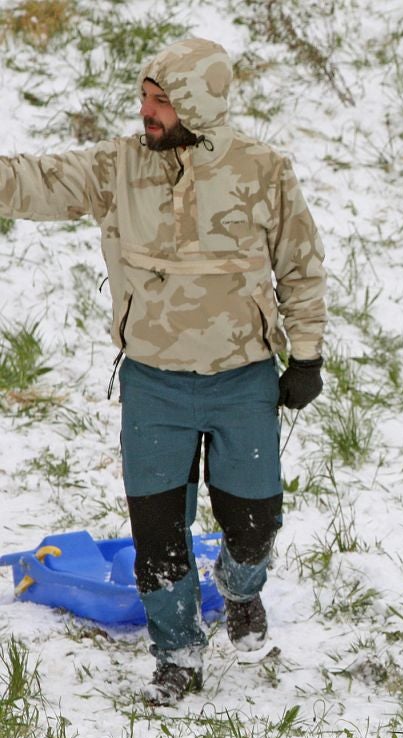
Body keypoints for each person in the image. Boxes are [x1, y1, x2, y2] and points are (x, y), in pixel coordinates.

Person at [0, 38, 328, 704]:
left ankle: (240, 587)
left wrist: (308, 354)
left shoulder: (264, 171)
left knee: (255, 523)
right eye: (145, 97)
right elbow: (36, 181)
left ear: (200, 105)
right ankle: (177, 654)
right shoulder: (118, 166)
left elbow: (300, 264)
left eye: (163, 101)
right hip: (153, 380)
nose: (147, 111)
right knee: (157, 536)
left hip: (243, 377)